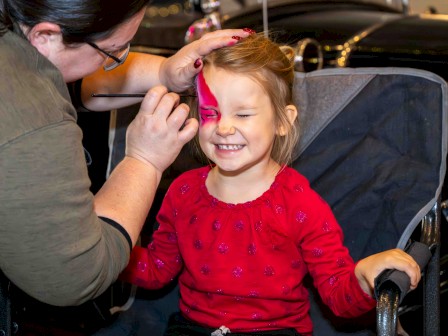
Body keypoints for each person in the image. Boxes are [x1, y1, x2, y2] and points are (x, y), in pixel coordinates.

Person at [119, 33, 421, 336]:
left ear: (282, 121)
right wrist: (106, 250)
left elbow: (339, 297)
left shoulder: (299, 203)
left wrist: (363, 276)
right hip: (194, 329)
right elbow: (157, 270)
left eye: (243, 114)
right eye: (211, 112)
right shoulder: (183, 191)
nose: (223, 127)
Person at [0, 0, 252, 312]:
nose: (225, 128)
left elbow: (67, 77)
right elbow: (75, 275)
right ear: (45, 35)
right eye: (113, 50)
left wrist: (164, 71)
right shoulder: (29, 118)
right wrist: (144, 160)